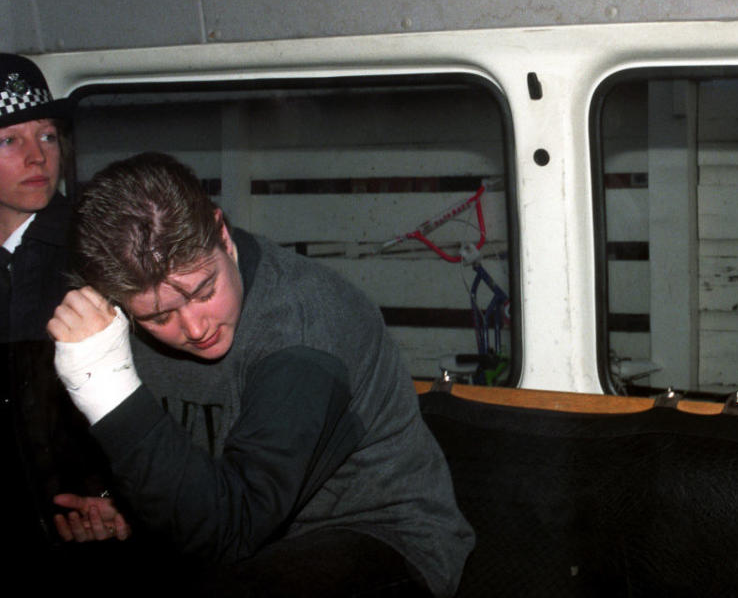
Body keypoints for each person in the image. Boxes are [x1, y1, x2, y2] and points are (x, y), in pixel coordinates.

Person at [49, 152, 474, 596]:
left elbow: (229, 533)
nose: (196, 328)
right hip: (240, 526)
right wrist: (118, 503)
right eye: (159, 317)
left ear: (223, 235)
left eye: (205, 290)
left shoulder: (303, 334)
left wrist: (106, 384)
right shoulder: (113, 327)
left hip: (381, 536)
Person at [0, 53, 129, 568]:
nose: (38, 157)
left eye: (47, 136)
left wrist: (111, 498)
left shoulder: (96, 249)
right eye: (10, 140)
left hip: (83, 525)